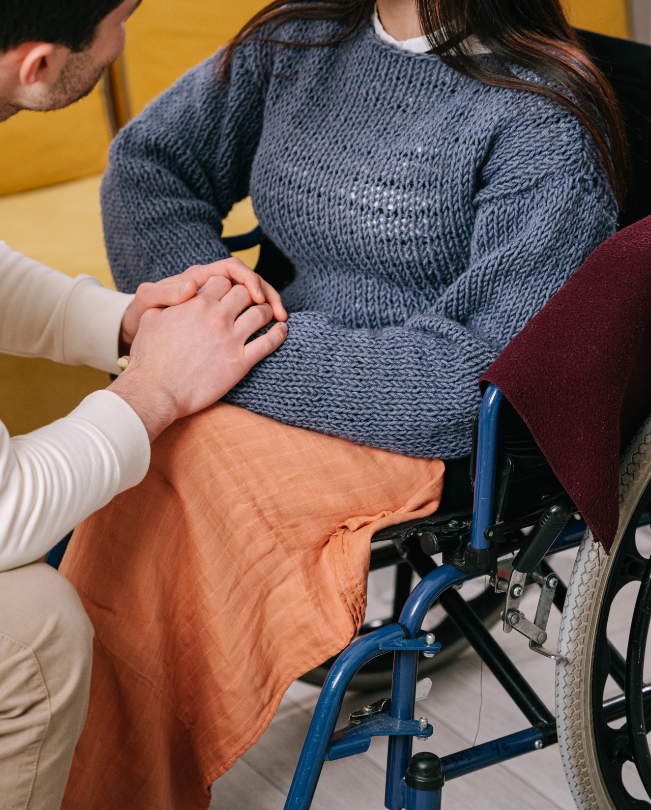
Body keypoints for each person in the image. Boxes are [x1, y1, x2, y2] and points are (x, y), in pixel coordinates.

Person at [59, 0, 625, 808]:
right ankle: (63, 755)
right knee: (130, 444)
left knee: (181, 453)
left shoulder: (539, 120)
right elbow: (150, 167)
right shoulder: (298, 38)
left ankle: (106, 780)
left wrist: (231, 353)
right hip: (278, 360)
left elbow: (465, 382)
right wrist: (210, 307)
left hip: (410, 416)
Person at [0, 0, 289, 807]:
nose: (126, 38)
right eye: (125, 18)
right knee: (24, 644)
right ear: (39, 65)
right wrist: (154, 391)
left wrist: (119, 320)